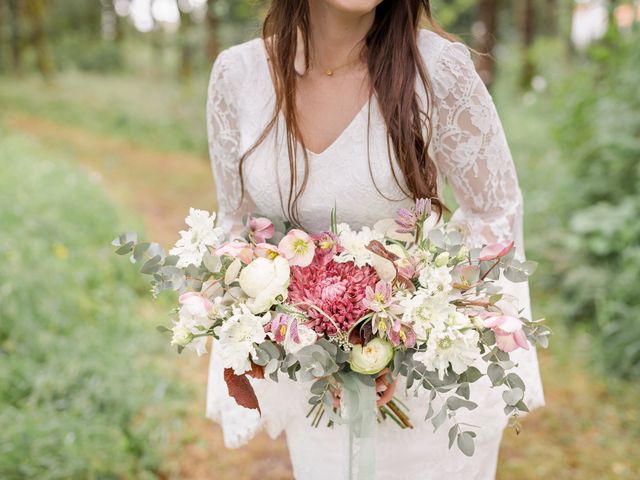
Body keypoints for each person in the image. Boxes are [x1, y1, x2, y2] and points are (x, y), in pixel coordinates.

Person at [204, 1, 544, 478]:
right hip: (313, 378)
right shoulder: (238, 75)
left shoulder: (438, 70)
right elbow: (235, 226)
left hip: (422, 385)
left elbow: (496, 207)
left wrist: (419, 320)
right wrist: (282, 323)